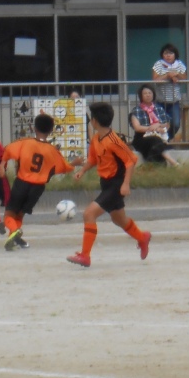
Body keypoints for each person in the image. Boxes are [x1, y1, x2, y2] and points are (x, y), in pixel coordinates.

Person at [66, 102, 150, 268]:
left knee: (89, 214)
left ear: (94, 121)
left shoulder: (114, 141)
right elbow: (93, 159)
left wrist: (126, 184)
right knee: (119, 219)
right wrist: (82, 171)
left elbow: (131, 161)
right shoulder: (96, 138)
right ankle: (142, 238)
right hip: (105, 183)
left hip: (116, 185)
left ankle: (85, 256)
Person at [0, 113, 82, 251]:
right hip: (37, 188)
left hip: (22, 183)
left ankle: (14, 231)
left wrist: (3, 164)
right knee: (20, 214)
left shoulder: (25, 143)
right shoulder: (52, 151)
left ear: (34, 128)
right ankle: (13, 238)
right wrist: (75, 163)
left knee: (8, 216)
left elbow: (8, 149)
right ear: (50, 131)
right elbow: (64, 168)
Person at [129, 84, 179, 168]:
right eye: (145, 93)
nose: (148, 95)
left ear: (153, 95)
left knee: (157, 143)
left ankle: (155, 166)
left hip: (159, 135)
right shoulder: (136, 110)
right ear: (141, 96)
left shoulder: (159, 109)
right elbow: (137, 127)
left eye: (150, 93)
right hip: (141, 138)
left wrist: (158, 125)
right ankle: (173, 163)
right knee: (156, 141)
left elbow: (167, 124)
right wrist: (150, 128)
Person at [151, 43, 187, 139]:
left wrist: (176, 74)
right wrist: (168, 75)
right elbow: (155, 80)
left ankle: (166, 139)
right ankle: (160, 140)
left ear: (175, 54)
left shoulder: (179, 64)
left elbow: (185, 78)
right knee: (159, 124)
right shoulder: (158, 64)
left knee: (176, 124)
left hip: (174, 101)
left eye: (170, 53)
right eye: (165, 53)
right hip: (160, 101)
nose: (168, 56)